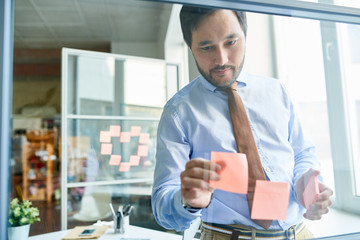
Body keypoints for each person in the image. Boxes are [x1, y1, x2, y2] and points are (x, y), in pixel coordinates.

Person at [151, 5, 333, 240]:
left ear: (245, 35)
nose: (221, 59)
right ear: (190, 47)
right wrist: (186, 201)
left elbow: (302, 153)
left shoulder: (276, 91)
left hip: (299, 233)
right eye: (206, 47)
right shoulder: (179, 112)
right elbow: (162, 209)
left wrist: (306, 187)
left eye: (231, 42)